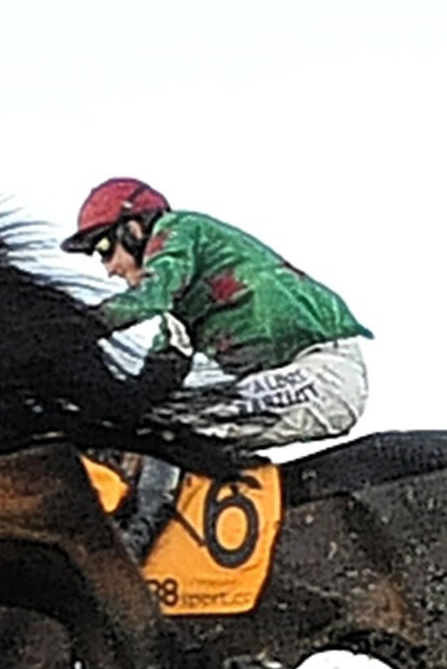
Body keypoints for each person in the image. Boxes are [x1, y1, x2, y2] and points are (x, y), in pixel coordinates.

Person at [61, 179, 372, 557]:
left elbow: (149, 297)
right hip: (287, 372)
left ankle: (137, 541)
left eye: (106, 248)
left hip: (324, 371)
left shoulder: (179, 232)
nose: (109, 268)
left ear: (135, 228)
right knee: (155, 419)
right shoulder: (179, 316)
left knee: (177, 424)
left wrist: (65, 332)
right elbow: (150, 385)